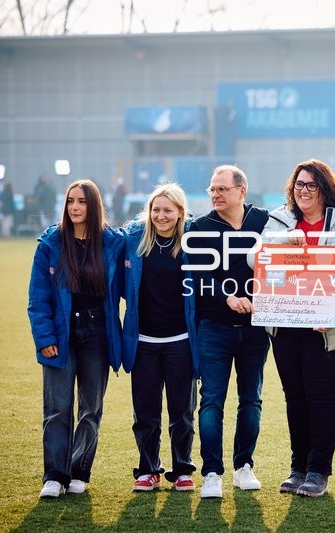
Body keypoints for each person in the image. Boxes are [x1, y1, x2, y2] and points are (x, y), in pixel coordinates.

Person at [260, 159, 335, 497]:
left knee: (322, 395)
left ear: (324, 189)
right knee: (294, 396)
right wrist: (281, 245)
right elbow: (252, 260)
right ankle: (298, 467)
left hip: (327, 328)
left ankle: (318, 471)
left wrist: (331, 314)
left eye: (311, 185)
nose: (304, 191)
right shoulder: (278, 220)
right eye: (299, 184)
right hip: (286, 323)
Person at [27, 179, 125, 498]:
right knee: (57, 407)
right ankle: (54, 475)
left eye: (82, 202)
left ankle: (80, 470)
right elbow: (38, 298)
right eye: (70, 201)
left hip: (97, 335)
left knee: (90, 408)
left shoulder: (111, 242)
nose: (75, 208)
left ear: (93, 205)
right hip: (61, 335)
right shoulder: (51, 244)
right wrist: (45, 338)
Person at [186, 164, 270, 498]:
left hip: (256, 329)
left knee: (251, 399)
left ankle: (243, 466)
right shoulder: (199, 227)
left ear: (241, 190)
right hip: (214, 327)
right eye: (212, 189)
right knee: (211, 401)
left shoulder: (265, 222)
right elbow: (194, 275)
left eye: (222, 189)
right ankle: (211, 472)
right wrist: (226, 296)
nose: (216, 195)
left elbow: (286, 260)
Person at [121, 183, 198, 492]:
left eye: (168, 210)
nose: (161, 216)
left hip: (180, 341)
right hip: (144, 342)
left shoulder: (194, 243)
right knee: (146, 412)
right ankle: (148, 469)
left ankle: (182, 468)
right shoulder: (133, 241)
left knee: (182, 412)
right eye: (156, 210)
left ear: (180, 212)